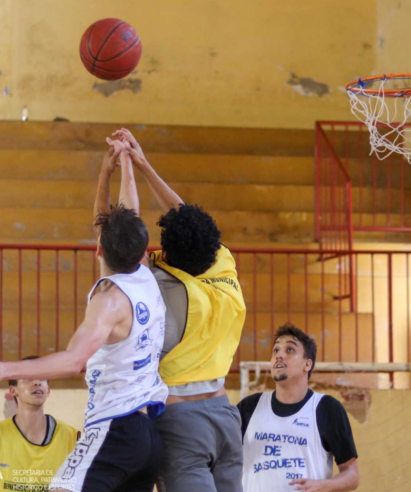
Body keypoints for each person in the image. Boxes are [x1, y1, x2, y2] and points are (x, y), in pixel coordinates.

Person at [0, 139, 167, 492]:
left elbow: (74, 361)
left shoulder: (109, 301)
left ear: (99, 249)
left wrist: (5, 369)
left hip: (113, 427)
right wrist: (120, 165)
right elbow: (127, 211)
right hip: (148, 434)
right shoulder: (144, 273)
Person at [114, 128, 247, 492]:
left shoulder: (159, 285)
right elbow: (187, 215)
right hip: (225, 414)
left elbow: (128, 227)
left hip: (181, 420)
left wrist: (127, 166)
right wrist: (145, 163)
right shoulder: (223, 263)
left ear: (168, 252)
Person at [237, 323, 360, 492]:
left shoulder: (327, 408)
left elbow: (352, 475)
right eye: (276, 350)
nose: (279, 355)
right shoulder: (248, 407)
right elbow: (220, 457)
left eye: (289, 350)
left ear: (307, 364)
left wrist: (324, 485)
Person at [0, 356, 79, 492]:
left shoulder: (73, 438)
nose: (37, 382)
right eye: (28, 377)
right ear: (13, 390)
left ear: (48, 390)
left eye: (42, 377)